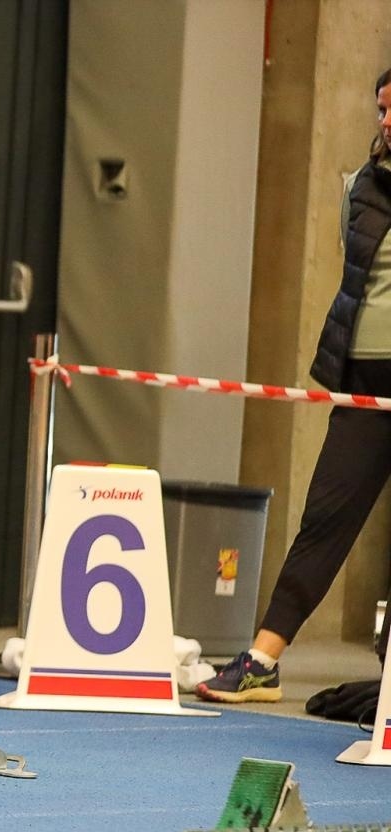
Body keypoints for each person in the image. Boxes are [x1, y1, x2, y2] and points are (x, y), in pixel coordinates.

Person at [200, 67, 391, 703]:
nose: (386, 122)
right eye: (381, 110)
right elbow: (353, 275)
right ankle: (261, 661)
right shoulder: (364, 186)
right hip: (364, 380)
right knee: (325, 517)